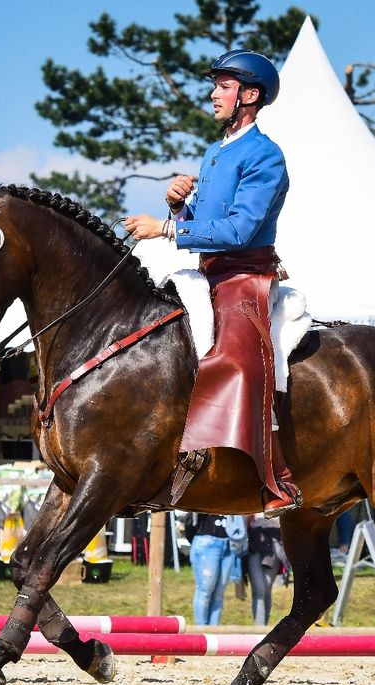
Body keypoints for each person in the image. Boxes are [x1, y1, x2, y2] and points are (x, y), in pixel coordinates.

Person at [124, 50, 299, 519]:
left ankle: (276, 479)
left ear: (249, 95)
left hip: (246, 276)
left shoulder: (265, 155)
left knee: (242, 362)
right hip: (208, 272)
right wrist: (178, 205)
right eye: (217, 85)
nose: (212, 94)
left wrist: (164, 228)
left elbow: (239, 230)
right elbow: (203, 223)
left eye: (222, 86)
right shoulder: (215, 152)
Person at [187, 513, 247, 625]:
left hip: (230, 543)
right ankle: (201, 632)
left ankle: (213, 632)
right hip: (207, 541)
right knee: (205, 591)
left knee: (219, 593)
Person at [245, 514, 287, 626]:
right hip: (254, 543)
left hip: (273, 544)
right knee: (259, 591)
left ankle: (263, 631)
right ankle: (260, 629)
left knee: (266, 591)